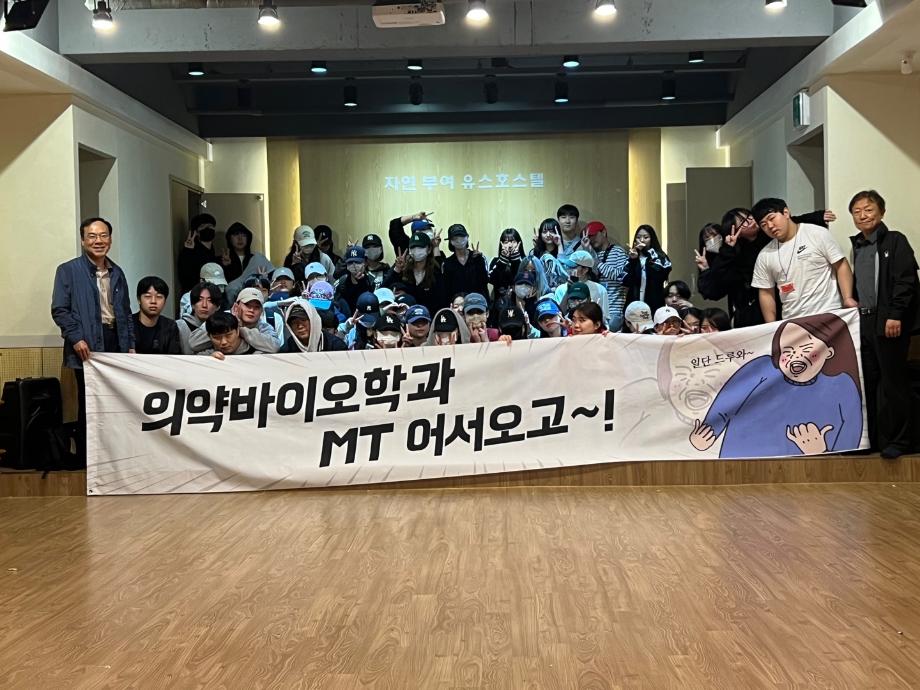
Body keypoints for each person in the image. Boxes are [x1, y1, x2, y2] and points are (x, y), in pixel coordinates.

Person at [688, 313, 863, 458]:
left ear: (829, 352)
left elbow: (851, 432)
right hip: (741, 463)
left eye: (807, 350)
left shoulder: (842, 385)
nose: (796, 356)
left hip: (805, 473)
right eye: (787, 351)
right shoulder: (762, 368)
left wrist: (822, 452)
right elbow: (728, 400)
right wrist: (709, 431)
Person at [51, 217, 134, 461]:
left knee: (115, 401)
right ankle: (89, 458)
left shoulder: (117, 272)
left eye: (104, 235)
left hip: (115, 341)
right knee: (89, 401)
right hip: (85, 344)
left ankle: (113, 456)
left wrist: (130, 345)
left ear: (110, 239)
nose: (99, 241)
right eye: (92, 236)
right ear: (83, 240)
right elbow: (60, 310)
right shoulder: (68, 270)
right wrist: (76, 338)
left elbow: (125, 311)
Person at [848, 190, 920, 459]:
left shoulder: (895, 240)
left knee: (893, 383)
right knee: (869, 382)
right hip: (864, 321)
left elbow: (906, 281)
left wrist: (895, 315)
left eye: (868, 210)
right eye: (857, 212)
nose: (863, 215)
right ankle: (874, 440)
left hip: (888, 320)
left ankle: (900, 441)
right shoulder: (857, 245)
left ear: (881, 212)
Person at [704, 207, 836, 327]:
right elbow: (716, 283)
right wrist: (728, 250)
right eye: (743, 222)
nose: (750, 221)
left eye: (749, 216)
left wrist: (818, 216)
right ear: (734, 230)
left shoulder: (768, 234)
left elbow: (792, 221)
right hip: (751, 312)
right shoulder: (735, 252)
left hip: (782, 300)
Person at [751, 198, 856, 321]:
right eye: (763, 225)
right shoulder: (765, 255)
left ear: (786, 213)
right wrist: (771, 325)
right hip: (792, 320)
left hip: (829, 312)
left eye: (772, 218)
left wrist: (847, 298)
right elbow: (766, 292)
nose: (770, 226)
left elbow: (841, 265)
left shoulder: (816, 233)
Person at [187, 287, 280, 354]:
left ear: (261, 311)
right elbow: (194, 344)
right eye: (247, 305)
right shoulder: (221, 318)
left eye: (256, 307)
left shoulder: (264, 327)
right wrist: (228, 326)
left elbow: (274, 347)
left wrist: (240, 328)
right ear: (236, 305)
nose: (251, 310)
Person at [384, 231, 447, 313]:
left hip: (430, 316)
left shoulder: (436, 271)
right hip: (407, 316)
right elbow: (383, 290)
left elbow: (442, 300)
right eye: (413, 247)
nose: (417, 250)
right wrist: (397, 269)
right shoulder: (403, 269)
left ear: (429, 250)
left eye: (420, 247)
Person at [586, 221, 628, 331]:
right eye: (589, 237)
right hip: (597, 309)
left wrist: (598, 264)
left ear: (603, 232)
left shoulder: (618, 252)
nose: (592, 239)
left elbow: (620, 277)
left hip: (614, 309)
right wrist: (588, 251)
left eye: (594, 235)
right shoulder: (593, 255)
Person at [623, 224, 671, 313]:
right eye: (638, 237)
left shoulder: (659, 256)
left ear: (652, 239)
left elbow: (661, 276)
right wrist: (634, 260)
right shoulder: (631, 257)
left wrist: (648, 255)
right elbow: (626, 281)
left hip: (654, 301)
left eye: (646, 237)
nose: (641, 240)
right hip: (634, 302)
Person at [221, 221, 274, 302]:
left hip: (254, 299)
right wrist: (226, 267)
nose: (240, 238)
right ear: (230, 238)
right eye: (236, 234)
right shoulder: (222, 259)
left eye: (244, 235)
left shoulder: (256, 259)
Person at [554, 251, 610, 324]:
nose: (568, 269)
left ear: (585, 270)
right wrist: (568, 291)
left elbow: (604, 318)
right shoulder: (561, 289)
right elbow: (559, 315)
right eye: (568, 266)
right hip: (568, 328)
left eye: (573, 267)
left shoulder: (600, 289)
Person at [132, 276, 181, 355]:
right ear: (139, 299)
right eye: (148, 296)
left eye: (159, 297)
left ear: (165, 301)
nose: (153, 301)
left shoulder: (170, 326)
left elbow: (174, 357)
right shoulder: (127, 324)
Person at [281, 298, 348, 353]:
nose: (300, 326)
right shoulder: (286, 350)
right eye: (294, 323)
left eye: (303, 320)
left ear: (313, 321)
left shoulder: (337, 347)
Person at [442, 224, 489, 299]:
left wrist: (479, 261)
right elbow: (446, 290)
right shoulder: (447, 264)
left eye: (462, 236)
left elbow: (485, 281)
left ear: (467, 237)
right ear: (450, 241)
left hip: (477, 302)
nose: (459, 240)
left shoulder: (479, 258)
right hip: (457, 304)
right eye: (455, 238)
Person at [199, 312, 272, 359]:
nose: (224, 342)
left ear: (238, 331)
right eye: (217, 338)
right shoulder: (205, 356)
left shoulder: (259, 354)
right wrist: (209, 361)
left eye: (228, 335)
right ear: (209, 336)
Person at [177, 213, 218, 294]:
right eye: (203, 226)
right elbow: (185, 277)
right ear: (196, 232)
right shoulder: (190, 251)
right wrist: (188, 251)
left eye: (210, 226)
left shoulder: (212, 251)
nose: (207, 228)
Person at [177, 281, 222, 354]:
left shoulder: (223, 327)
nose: (204, 305)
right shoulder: (178, 326)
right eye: (200, 300)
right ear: (192, 305)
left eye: (210, 300)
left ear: (218, 306)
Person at [488, 228, 526, 303]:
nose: (510, 245)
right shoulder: (494, 261)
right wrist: (503, 261)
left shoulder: (526, 261)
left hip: (521, 302)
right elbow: (492, 280)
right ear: (501, 244)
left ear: (519, 243)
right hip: (500, 304)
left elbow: (524, 279)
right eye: (506, 242)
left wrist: (516, 261)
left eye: (513, 241)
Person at [530, 218, 569, 290]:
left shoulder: (564, 251)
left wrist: (559, 245)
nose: (548, 235)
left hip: (559, 289)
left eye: (551, 231)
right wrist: (537, 246)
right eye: (544, 232)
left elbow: (563, 272)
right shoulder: (535, 252)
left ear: (557, 232)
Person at [334, 246, 376, 313]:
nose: (354, 265)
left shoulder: (372, 281)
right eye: (350, 262)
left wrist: (361, 283)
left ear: (364, 263)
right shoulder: (341, 282)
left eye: (357, 262)